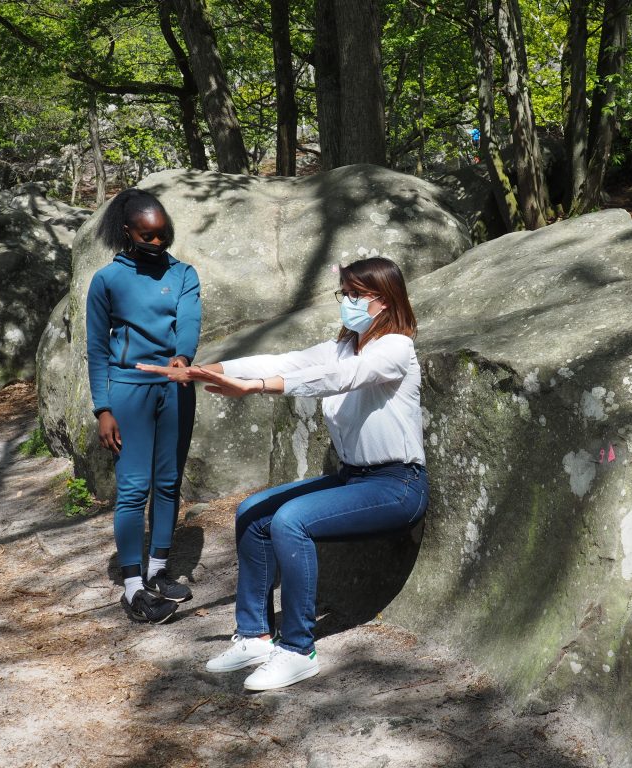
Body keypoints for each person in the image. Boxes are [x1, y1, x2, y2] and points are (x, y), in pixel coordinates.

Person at [137, 256, 429, 691]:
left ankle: (298, 650)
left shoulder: (397, 349)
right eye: (343, 293)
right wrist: (207, 371)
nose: (345, 302)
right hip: (353, 478)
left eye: (354, 295)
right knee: (254, 512)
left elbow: (338, 378)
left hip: (397, 485)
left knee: (291, 521)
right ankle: (255, 636)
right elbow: (285, 360)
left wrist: (255, 388)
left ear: (383, 301)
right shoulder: (343, 346)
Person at [87, 188, 202, 625]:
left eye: (163, 235)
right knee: (134, 487)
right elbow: (96, 348)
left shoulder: (185, 273)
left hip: (175, 385)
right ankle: (133, 585)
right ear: (128, 233)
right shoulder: (107, 280)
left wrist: (184, 357)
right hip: (128, 389)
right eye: (148, 236)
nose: (157, 243)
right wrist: (103, 408)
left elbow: (189, 318)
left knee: (169, 481)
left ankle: (158, 569)